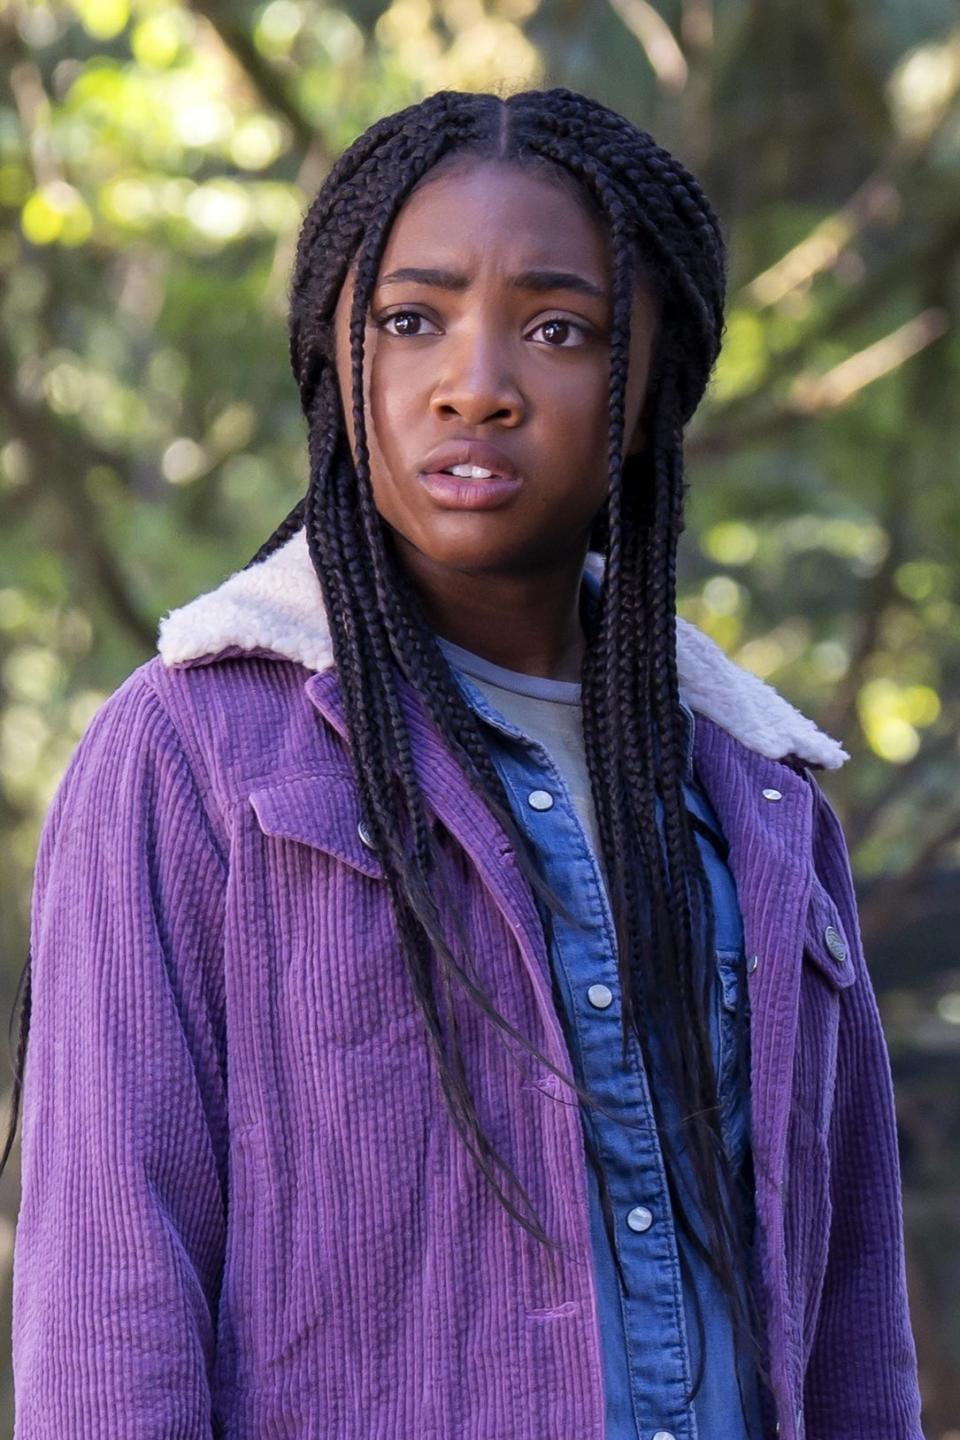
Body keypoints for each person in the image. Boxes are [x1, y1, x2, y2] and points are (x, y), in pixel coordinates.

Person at [8, 87, 924, 1440]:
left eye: (559, 328)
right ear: (339, 353)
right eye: (411, 320)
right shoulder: (194, 759)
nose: (476, 384)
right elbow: (107, 1317)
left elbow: (854, 1337)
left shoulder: (764, 799)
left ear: (653, 371)